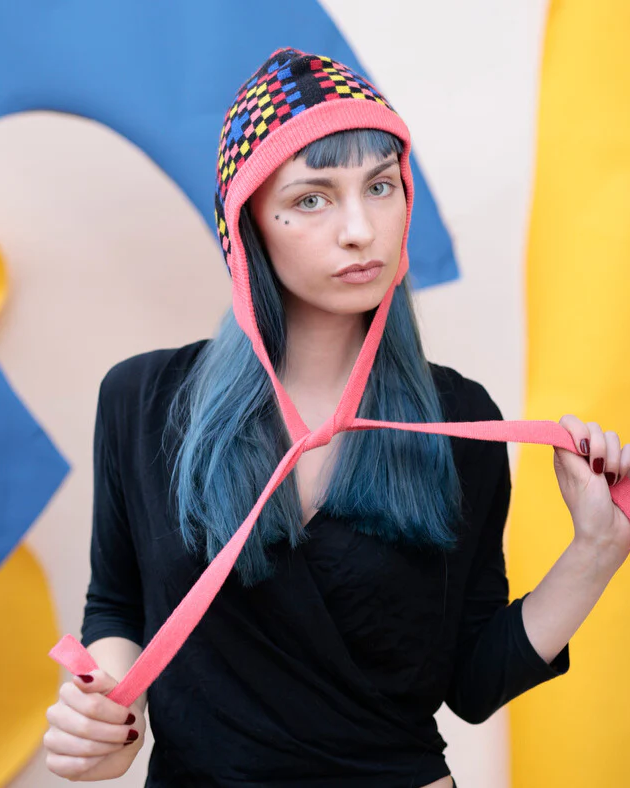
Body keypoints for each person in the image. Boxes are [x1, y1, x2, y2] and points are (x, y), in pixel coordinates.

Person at [43, 48, 630, 787]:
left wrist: (597, 551)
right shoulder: (142, 399)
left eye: (380, 187)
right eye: (313, 198)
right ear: (247, 221)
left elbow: (475, 687)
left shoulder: (462, 418)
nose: (360, 229)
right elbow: (119, 605)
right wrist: (110, 719)